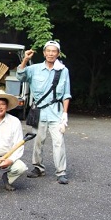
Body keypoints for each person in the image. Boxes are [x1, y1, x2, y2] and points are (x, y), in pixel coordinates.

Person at [16, 40, 71, 184]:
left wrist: (65, 114)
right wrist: (25, 60)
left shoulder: (63, 70)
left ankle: (61, 172)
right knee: (38, 141)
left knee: (59, 142)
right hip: (39, 111)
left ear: (58, 54)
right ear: (44, 53)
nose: (51, 54)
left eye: (54, 51)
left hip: (56, 112)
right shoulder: (34, 69)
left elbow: (66, 94)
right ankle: (38, 168)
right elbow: (20, 76)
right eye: (48, 51)